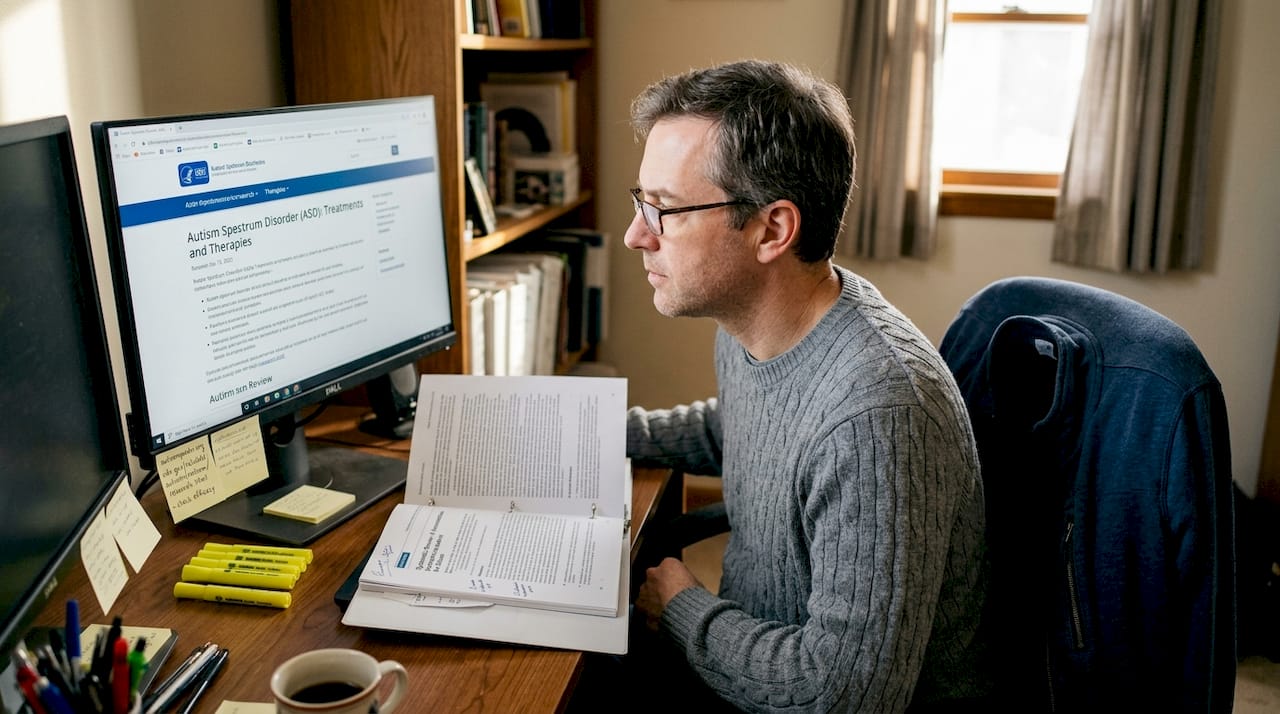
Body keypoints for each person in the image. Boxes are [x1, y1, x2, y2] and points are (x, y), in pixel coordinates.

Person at [619, 59, 989, 712]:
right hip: (746, 661)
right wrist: (593, 432)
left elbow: (844, 695)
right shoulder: (760, 322)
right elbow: (742, 424)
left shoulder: (878, 417)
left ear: (773, 229)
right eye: (640, 201)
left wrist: (681, 609)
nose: (635, 235)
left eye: (665, 210)